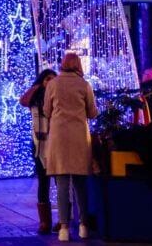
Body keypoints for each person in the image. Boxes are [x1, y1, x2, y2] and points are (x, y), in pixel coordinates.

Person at [44, 53, 98, 242]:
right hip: (78, 138)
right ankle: (83, 226)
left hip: (59, 138)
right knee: (80, 184)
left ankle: (64, 229)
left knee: (62, 185)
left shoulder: (53, 84)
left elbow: (46, 111)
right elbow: (92, 112)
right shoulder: (84, 85)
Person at [20, 68, 58, 234]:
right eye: (47, 78)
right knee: (43, 181)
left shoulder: (58, 96)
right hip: (39, 143)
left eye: (53, 78)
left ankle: (64, 220)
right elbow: (23, 100)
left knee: (61, 181)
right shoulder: (35, 98)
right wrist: (36, 86)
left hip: (57, 141)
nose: (50, 81)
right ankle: (45, 222)